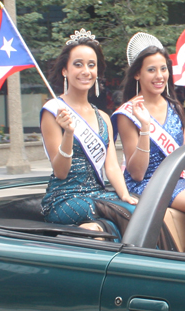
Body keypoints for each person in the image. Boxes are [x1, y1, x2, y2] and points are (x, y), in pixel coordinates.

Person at [111, 32, 185, 255]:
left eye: (163, 69)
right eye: (151, 69)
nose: (159, 76)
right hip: (146, 183)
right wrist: (145, 126)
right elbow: (136, 173)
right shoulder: (127, 114)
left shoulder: (173, 106)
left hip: (175, 180)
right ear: (137, 73)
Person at [40, 29, 137, 232]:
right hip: (64, 198)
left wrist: (125, 195)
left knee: (138, 210)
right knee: (124, 213)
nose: (86, 71)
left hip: (96, 194)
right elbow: (60, 171)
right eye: (78, 64)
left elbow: (111, 167)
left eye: (91, 65)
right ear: (65, 71)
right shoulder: (53, 111)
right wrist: (68, 133)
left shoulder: (103, 117)